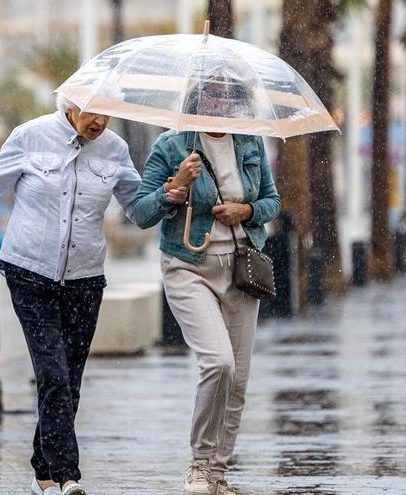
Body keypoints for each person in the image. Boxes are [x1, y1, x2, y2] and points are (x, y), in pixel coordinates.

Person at [0, 96, 174, 495]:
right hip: (29, 273)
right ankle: (68, 477)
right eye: (92, 112)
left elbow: (138, 213)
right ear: (70, 106)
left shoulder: (115, 149)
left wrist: (170, 194)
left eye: (106, 113)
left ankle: (42, 473)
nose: (100, 121)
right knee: (52, 373)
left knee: (70, 379)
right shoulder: (30, 137)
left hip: (85, 279)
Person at [132, 80, 281, 495]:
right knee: (219, 363)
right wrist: (174, 188)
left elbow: (272, 201)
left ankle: (218, 473)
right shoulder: (171, 145)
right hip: (188, 266)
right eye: (212, 96)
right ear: (196, 101)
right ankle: (199, 464)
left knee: (239, 379)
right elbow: (141, 214)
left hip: (239, 269)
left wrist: (246, 210)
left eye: (228, 97)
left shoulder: (249, 145)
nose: (220, 103)